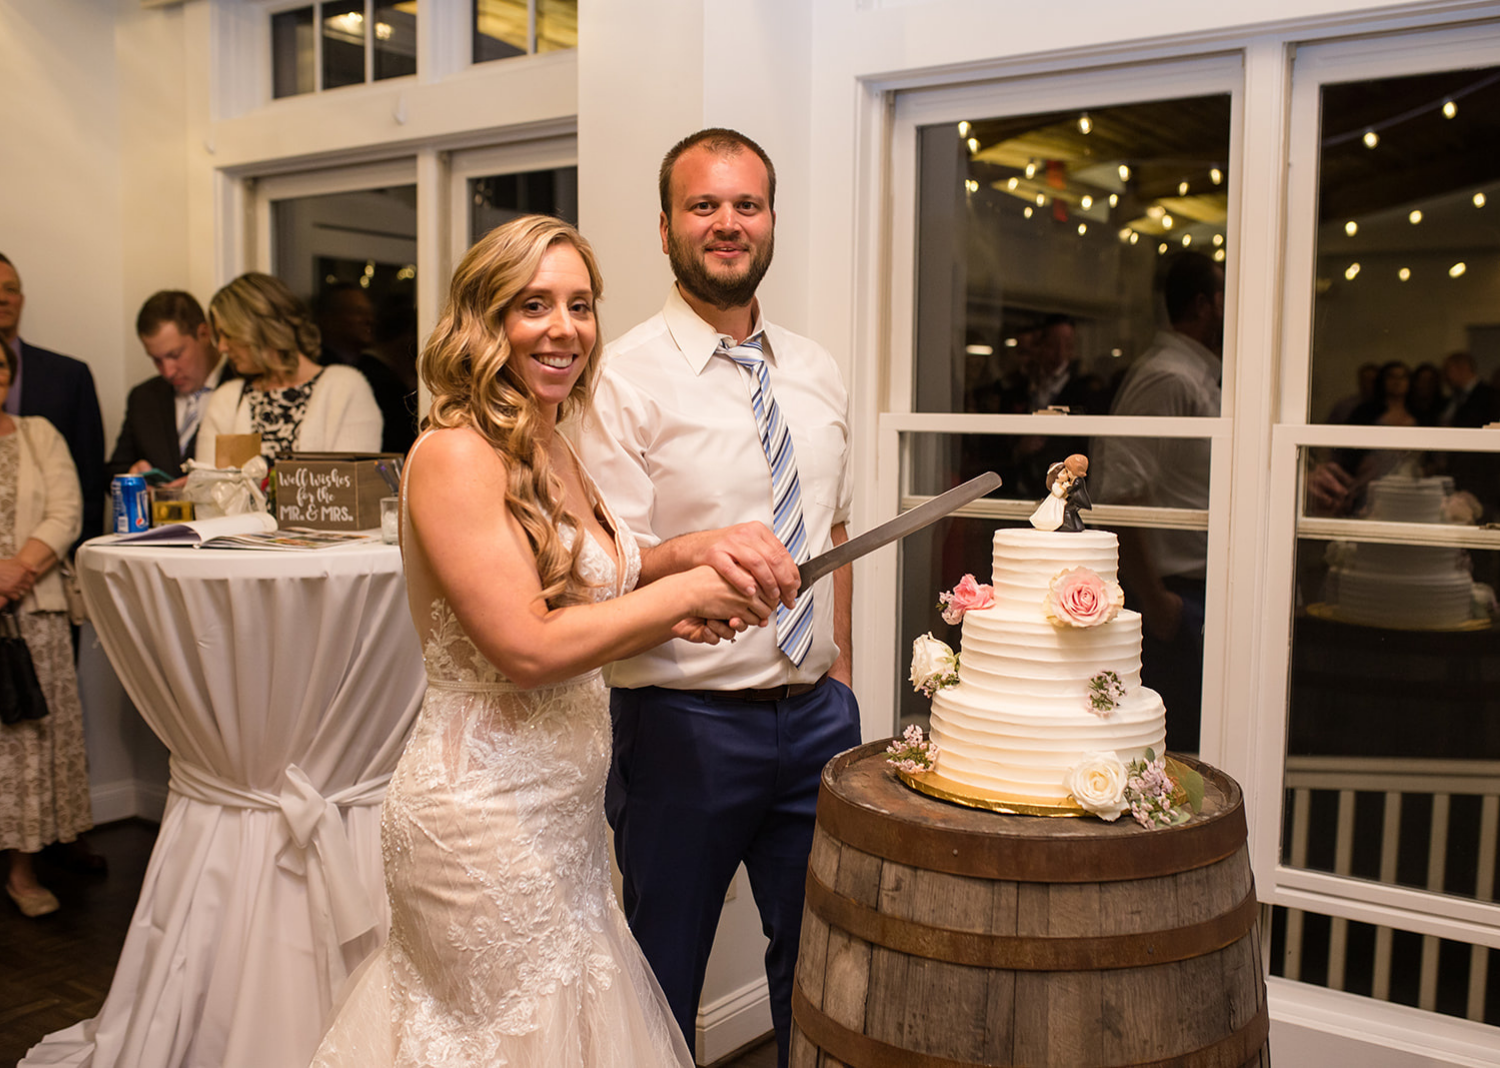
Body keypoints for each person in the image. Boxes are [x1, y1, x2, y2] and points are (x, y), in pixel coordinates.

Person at [309, 215, 768, 1067]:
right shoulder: (455, 454)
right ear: (484, 322)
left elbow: (591, 577)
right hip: (479, 825)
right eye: (534, 306)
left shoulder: (547, 436)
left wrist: (691, 555)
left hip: (560, 820)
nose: (565, 329)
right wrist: (681, 601)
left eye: (581, 305)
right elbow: (525, 646)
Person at [576, 128, 861, 1068]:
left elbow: (831, 533)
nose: (727, 224)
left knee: (822, 971)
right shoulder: (616, 376)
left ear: (772, 220)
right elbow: (602, 561)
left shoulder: (817, 370)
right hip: (681, 726)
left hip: (818, 720)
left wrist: (842, 676)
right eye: (704, 206)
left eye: (746, 204)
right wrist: (695, 559)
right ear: (665, 229)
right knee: (661, 979)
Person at [1094, 250, 1224, 754]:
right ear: (1200, 305)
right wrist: (1155, 601)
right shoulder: (1169, 377)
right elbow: (1123, 492)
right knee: (1174, 752)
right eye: (1220, 300)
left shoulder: (1196, 375)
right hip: (1174, 594)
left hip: (1197, 590)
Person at [0, 355, 92, 917]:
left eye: (1, 369)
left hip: (33, 615)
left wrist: (16, 572)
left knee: (28, 743)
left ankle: (23, 869)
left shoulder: (39, 435)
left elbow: (67, 511)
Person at [195, 273, 382, 466]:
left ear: (257, 328)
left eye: (227, 334)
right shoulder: (227, 399)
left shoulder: (345, 388)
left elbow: (352, 486)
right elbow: (207, 488)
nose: (222, 347)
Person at [0, 253, 106, 544]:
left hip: (51, 564)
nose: (3, 299)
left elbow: (91, 481)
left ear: (21, 299)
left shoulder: (68, 375)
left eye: (10, 290)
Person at [108, 290, 234, 481]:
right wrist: (134, 475)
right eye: (156, 360)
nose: (168, 371)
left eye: (175, 355)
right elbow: (115, 470)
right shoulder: (144, 397)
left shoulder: (244, 387)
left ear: (204, 334)